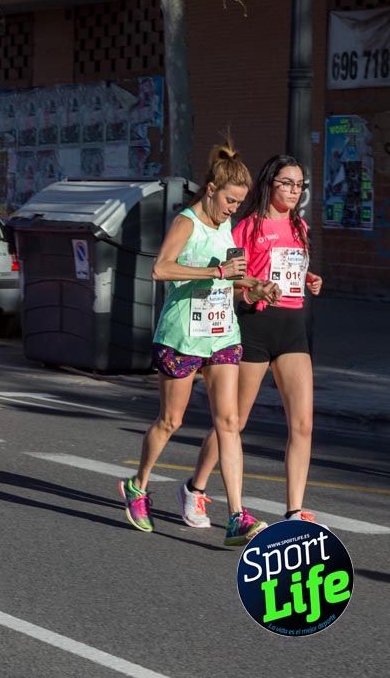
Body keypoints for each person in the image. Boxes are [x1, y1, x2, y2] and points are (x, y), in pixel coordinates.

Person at [119, 143, 275, 547]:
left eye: (239, 204)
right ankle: (138, 485)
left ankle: (237, 515)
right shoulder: (186, 222)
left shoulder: (225, 226)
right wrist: (215, 270)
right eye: (229, 201)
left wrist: (255, 284)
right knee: (171, 421)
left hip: (222, 333)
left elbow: (228, 277)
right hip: (183, 335)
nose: (233, 210)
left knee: (229, 423)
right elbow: (160, 269)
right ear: (210, 190)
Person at [182, 155, 324, 527]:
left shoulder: (300, 226)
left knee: (303, 423)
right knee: (234, 421)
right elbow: (226, 282)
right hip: (254, 325)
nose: (294, 192)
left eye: (299, 186)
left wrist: (308, 278)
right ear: (269, 184)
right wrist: (250, 293)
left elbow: (288, 265)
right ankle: (195, 489)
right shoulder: (246, 227)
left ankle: (294, 510)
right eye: (287, 184)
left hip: (292, 326)